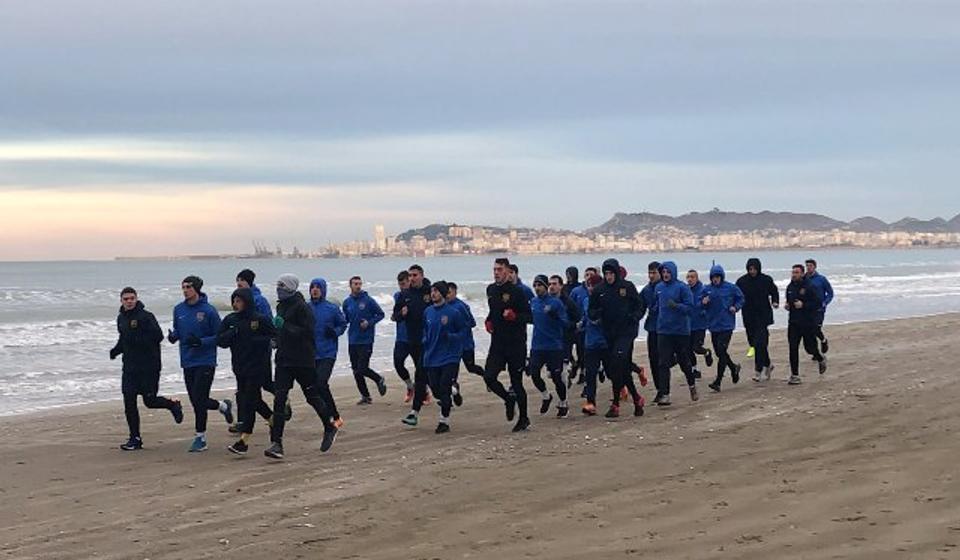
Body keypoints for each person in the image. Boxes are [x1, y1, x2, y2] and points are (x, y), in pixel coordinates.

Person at [266, 274, 338, 459]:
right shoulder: (281, 306)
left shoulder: (302, 307)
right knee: (279, 399)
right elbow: (280, 330)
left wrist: (286, 326)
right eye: (277, 286)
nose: (278, 289)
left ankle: (329, 426)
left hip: (302, 360)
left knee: (311, 396)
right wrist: (275, 338)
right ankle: (277, 443)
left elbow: (307, 333)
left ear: (290, 288)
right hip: (283, 360)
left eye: (281, 286)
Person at [110, 287, 183, 450]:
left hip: (149, 367)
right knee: (129, 401)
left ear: (136, 299)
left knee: (149, 401)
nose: (129, 301)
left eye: (131, 298)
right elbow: (123, 339)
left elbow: (158, 336)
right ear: (121, 301)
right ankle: (135, 438)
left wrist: (137, 338)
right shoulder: (121, 318)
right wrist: (115, 351)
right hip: (129, 367)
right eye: (126, 299)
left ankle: (172, 405)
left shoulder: (146, 316)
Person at [167, 275, 232, 453]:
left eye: (188, 287)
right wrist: (173, 336)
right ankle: (223, 406)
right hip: (187, 361)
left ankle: (200, 438)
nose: (185, 290)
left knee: (199, 399)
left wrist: (201, 342)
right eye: (183, 287)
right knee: (196, 400)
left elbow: (220, 337)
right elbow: (178, 331)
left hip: (206, 361)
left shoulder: (209, 311)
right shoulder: (178, 309)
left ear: (196, 288)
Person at [217, 288, 277, 455]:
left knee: (249, 401)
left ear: (247, 301)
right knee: (251, 399)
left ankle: (244, 440)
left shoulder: (259, 319)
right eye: (234, 301)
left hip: (257, 366)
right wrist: (231, 334)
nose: (236, 304)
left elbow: (274, 337)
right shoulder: (230, 320)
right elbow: (220, 340)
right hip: (239, 367)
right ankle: (272, 418)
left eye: (239, 301)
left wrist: (255, 340)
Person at [403, 281, 466, 433]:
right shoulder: (428, 312)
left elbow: (463, 332)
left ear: (443, 294)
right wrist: (425, 339)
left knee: (443, 388)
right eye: (432, 291)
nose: (433, 294)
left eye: (436, 291)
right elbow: (425, 328)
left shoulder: (453, 312)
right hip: (431, 356)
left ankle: (444, 421)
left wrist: (451, 336)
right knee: (436, 390)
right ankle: (454, 391)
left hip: (449, 356)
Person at [232, 268, 287, 434]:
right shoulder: (238, 300)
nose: (239, 285)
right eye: (237, 282)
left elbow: (267, 324)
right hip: (242, 354)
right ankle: (244, 421)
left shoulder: (259, 300)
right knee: (244, 390)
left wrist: (266, 341)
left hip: (260, 352)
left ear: (249, 283)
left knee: (263, 384)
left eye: (241, 282)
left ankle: (282, 401)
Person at [588, 258, 645, 418]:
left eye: (611, 273)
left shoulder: (627, 287)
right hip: (609, 333)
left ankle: (616, 404)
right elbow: (591, 310)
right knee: (621, 367)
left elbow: (639, 305)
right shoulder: (599, 290)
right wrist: (596, 314)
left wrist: (635, 317)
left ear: (616, 273)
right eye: (606, 274)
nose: (609, 277)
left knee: (618, 360)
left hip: (626, 332)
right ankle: (637, 398)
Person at [482, 258, 534, 432]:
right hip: (498, 343)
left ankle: (524, 418)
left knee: (516, 382)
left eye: (499, 269)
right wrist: (489, 321)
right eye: (494, 269)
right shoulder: (490, 290)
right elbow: (493, 311)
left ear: (507, 271)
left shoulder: (517, 292)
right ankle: (507, 399)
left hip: (516, 343)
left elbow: (529, 317)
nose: (496, 272)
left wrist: (514, 317)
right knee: (489, 377)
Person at [654, 262, 698, 406]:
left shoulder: (682, 287)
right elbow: (656, 303)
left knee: (684, 361)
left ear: (673, 272)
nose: (665, 274)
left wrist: (677, 306)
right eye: (663, 272)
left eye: (668, 272)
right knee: (663, 363)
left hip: (680, 332)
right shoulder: (659, 287)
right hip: (663, 331)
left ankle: (691, 385)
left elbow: (690, 308)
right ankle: (665, 394)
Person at [528, 275, 571, 417]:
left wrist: (554, 316)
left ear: (545, 287)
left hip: (554, 346)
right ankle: (546, 396)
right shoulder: (533, 302)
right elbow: (529, 319)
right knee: (534, 374)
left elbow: (565, 323)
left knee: (556, 376)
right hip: (537, 346)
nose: (537, 288)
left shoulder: (556, 303)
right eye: (535, 285)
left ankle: (563, 402)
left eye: (539, 285)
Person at [393, 264, 434, 413]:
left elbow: (440, 308)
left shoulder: (430, 291)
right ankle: (414, 389)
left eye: (414, 275)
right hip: (410, 339)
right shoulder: (404, 295)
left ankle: (415, 409)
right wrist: (401, 314)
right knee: (399, 363)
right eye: (410, 276)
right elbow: (394, 316)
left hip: (428, 339)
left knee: (422, 372)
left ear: (422, 275)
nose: (412, 278)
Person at [699, 265, 744, 392]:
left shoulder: (730, 287)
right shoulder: (706, 289)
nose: (715, 279)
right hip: (713, 326)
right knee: (720, 353)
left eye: (718, 277)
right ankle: (733, 367)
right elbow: (698, 304)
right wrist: (703, 302)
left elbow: (741, 298)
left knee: (722, 349)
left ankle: (718, 381)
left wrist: (736, 307)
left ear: (722, 277)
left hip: (727, 325)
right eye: (713, 277)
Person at [342, 276, 387, 404]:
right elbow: (345, 319)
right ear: (350, 285)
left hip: (366, 340)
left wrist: (369, 322)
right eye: (355, 284)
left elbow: (380, 314)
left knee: (362, 368)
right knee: (356, 371)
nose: (358, 286)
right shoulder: (347, 302)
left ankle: (378, 379)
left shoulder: (368, 300)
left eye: (359, 284)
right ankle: (365, 396)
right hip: (352, 340)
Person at [309, 278, 347, 428]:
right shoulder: (306, 308)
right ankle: (328, 416)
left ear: (323, 290)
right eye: (313, 287)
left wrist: (335, 332)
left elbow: (343, 324)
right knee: (314, 388)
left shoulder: (332, 308)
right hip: (311, 353)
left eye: (318, 287)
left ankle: (336, 417)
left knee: (321, 383)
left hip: (328, 352)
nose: (315, 290)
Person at [736, 258, 779, 382]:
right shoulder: (741, 281)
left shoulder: (766, 279)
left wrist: (775, 302)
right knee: (754, 344)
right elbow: (735, 295)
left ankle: (758, 371)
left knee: (760, 343)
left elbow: (774, 291)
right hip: (749, 317)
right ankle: (768, 364)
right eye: (750, 269)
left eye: (754, 269)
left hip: (763, 316)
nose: (752, 271)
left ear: (758, 268)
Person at [785, 265, 828, 385]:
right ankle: (795, 375)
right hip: (793, 323)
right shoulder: (790, 286)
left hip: (808, 322)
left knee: (810, 348)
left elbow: (817, 303)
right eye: (793, 272)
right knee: (793, 348)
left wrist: (804, 305)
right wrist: (788, 306)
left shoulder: (810, 286)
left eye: (797, 272)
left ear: (802, 274)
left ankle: (820, 358)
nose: (794, 275)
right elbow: (790, 300)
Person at [579, 274, 607, 415]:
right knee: (590, 374)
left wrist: (600, 321)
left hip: (605, 342)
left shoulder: (605, 299)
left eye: (593, 285)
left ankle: (621, 389)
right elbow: (585, 316)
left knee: (612, 371)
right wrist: (581, 324)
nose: (590, 288)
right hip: (590, 342)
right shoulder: (585, 301)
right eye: (588, 285)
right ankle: (591, 402)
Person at [446, 282, 485, 379]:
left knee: (471, 367)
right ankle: (454, 390)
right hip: (453, 345)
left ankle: (486, 376)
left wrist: (460, 327)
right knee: (452, 371)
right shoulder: (444, 306)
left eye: (449, 293)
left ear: (455, 292)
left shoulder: (461, 306)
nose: (447, 295)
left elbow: (472, 323)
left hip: (466, 345)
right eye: (445, 293)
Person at [550, 274, 582, 387]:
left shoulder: (568, 302)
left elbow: (578, 318)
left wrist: (569, 326)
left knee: (562, 369)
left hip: (566, 338)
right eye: (550, 284)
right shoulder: (546, 300)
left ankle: (564, 398)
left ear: (561, 286)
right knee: (552, 371)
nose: (551, 286)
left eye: (554, 284)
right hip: (550, 339)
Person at [640, 262, 664, 403]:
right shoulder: (646, 290)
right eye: (649, 273)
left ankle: (663, 389)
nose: (651, 276)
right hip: (652, 328)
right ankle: (659, 389)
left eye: (654, 273)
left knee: (664, 360)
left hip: (666, 329)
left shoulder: (665, 288)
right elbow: (640, 307)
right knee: (653, 359)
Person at [392, 271, 416, 403]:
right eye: (400, 284)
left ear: (409, 281)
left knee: (421, 367)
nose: (402, 287)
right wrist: (397, 315)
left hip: (416, 337)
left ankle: (424, 392)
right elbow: (395, 314)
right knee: (398, 364)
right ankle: (410, 386)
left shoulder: (417, 296)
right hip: (401, 337)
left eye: (404, 284)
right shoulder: (398, 296)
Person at [569, 267, 596, 385]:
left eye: (591, 275)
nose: (588, 277)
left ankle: (585, 375)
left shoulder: (597, 291)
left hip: (593, 331)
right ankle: (581, 371)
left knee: (588, 354)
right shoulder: (576, 291)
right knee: (580, 352)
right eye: (587, 274)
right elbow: (569, 306)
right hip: (579, 327)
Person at [686, 269, 713, 379]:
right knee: (688, 349)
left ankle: (707, 352)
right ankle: (695, 369)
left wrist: (706, 303)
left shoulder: (703, 289)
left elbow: (712, 299)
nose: (690, 279)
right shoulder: (685, 290)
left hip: (700, 324)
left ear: (697, 278)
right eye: (688, 277)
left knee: (696, 347)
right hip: (688, 325)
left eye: (692, 277)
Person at [805, 259, 834, 354]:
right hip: (807, 309)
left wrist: (825, 302)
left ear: (814, 267)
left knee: (816, 328)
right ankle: (815, 351)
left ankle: (823, 340)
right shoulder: (803, 278)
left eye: (810, 265)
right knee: (809, 331)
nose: (808, 267)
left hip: (819, 309)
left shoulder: (821, 279)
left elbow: (830, 293)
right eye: (807, 266)